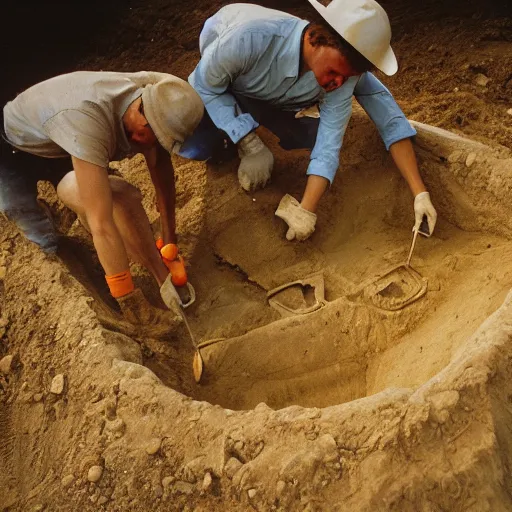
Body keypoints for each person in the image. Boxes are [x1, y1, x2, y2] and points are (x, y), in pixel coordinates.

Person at [179, 0, 438, 241]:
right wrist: (250, 144)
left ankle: (262, 122)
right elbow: (204, 84)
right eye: (335, 72)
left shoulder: (343, 80)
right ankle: (239, 135)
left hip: (274, 98)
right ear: (318, 39)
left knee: (310, 136)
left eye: (347, 77)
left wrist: (305, 211)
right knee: (198, 145)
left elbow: (329, 145)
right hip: (227, 81)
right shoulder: (250, 38)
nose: (337, 83)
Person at [1, 71, 203, 333]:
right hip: (13, 144)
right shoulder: (87, 122)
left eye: (158, 140)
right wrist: (129, 301)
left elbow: (162, 177)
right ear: (140, 110)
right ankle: (62, 242)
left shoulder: (160, 99)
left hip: (64, 142)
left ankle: (159, 275)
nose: (146, 143)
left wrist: (170, 244)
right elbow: (102, 224)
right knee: (40, 239)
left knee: (122, 197)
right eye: (147, 133)